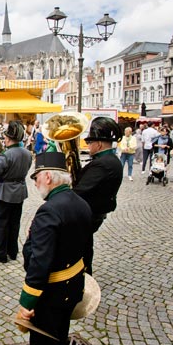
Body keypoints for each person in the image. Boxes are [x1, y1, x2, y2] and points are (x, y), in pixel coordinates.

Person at [14, 152, 91, 345]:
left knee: (44, 341)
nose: (35, 182)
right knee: (59, 335)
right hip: (73, 286)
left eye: (36, 177)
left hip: (52, 293)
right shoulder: (81, 202)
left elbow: (38, 264)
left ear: (47, 176)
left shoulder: (49, 211)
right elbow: (87, 248)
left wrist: (27, 303)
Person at [72, 117, 122, 274]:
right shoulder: (107, 160)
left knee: (80, 248)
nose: (88, 146)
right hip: (93, 211)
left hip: (90, 212)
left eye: (90, 143)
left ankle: (82, 276)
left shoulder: (103, 164)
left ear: (99, 144)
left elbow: (81, 190)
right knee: (85, 244)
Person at [0, 121, 32, 263]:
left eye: (5, 137)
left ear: (9, 138)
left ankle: (1, 253)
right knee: (14, 222)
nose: (4, 139)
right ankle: (13, 251)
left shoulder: (6, 155)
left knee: (2, 223)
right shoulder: (27, 153)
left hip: (4, 192)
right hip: (19, 192)